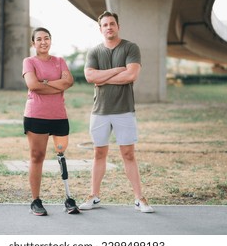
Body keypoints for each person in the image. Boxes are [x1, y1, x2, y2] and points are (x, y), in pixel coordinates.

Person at [80, 11, 154, 213]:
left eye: (112, 24)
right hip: (100, 111)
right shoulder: (94, 52)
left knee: (128, 154)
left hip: (124, 111)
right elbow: (89, 76)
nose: (109, 27)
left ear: (118, 26)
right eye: (105, 25)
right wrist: (116, 70)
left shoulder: (130, 47)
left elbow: (132, 75)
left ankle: (139, 198)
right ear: (101, 29)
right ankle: (94, 196)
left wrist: (101, 78)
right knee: (99, 153)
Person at [22, 27, 78, 216]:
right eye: (39, 39)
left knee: (61, 154)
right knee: (37, 157)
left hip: (59, 116)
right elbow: (32, 85)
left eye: (46, 38)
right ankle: (36, 201)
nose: (43, 42)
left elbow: (69, 82)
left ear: (51, 41)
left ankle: (69, 199)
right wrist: (55, 85)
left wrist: (44, 83)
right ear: (33, 43)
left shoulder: (60, 61)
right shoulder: (29, 62)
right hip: (36, 115)